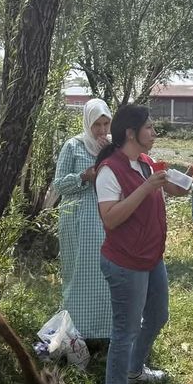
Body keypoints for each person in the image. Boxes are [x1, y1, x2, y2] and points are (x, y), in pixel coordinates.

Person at [95, 104, 189, 384]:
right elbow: (110, 219)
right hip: (125, 263)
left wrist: (192, 178)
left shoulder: (146, 163)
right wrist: (146, 187)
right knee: (125, 330)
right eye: (149, 127)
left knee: (158, 315)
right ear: (131, 133)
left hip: (150, 258)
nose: (154, 132)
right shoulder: (110, 169)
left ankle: (134, 370)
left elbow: (174, 189)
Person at [51, 98, 114, 341]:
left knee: (104, 271)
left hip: (106, 218)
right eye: (96, 124)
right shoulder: (74, 146)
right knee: (78, 272)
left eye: (105, 123)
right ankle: (77, 332)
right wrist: (83, 176)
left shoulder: (112, 147)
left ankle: (105, 331)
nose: (101, 130)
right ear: (87, 123)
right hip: (77, 219)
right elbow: (58, 185)